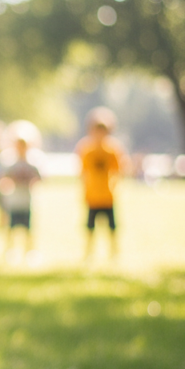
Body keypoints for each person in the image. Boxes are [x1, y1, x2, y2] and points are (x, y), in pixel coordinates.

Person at [75, 106, 124, 260]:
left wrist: (114, 189)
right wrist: (84, 192)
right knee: (90, 228)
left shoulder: (112, 149)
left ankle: (114, 254)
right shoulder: (86, 149)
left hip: (107, 196)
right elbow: (82, 173)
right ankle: (88, 254)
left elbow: (118, 171)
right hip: (92, 196)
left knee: (112, 228)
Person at [0, 135, 41, 259]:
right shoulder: (11, 164)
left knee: (28, 230)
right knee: (11, 229)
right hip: (15, 201)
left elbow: (40, 178)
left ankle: (30, 252)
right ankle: (9, 252)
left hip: (27, 200)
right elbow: (1, 178)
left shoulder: (31, 164)